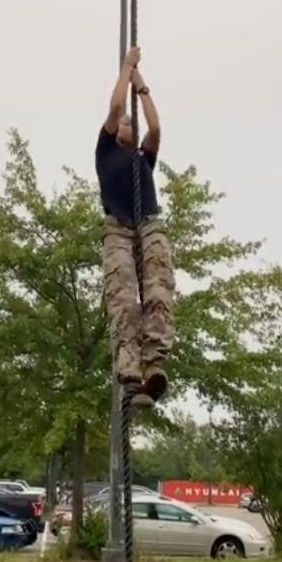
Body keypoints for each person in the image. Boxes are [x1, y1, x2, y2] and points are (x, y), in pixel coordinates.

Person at [96, 45, 173, 411]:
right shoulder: (105, 150)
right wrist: (126, 67)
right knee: (124, 299)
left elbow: (155, 126)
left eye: (130, 122)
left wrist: (141, 82)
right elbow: (114, 109)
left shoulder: (144, 157)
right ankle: (128, 370)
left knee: (158, 291)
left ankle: (154, 366)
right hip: (119, 229)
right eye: (125, 123)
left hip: (148, 224)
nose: (128, 122)